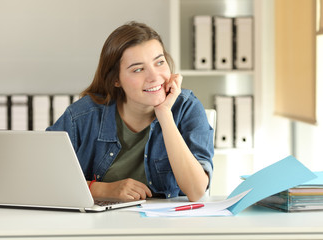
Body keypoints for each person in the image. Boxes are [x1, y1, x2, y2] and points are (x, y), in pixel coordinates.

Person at [46, 21, 214, 202]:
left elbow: (196, 191)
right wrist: (101, 190)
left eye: (159, 62)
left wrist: (164, 114)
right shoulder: (82, 116)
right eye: (138, 69)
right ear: (115, 79)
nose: (154, 77)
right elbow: (41, 178)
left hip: (166, 225)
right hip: (97, 226)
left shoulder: (187, 107)